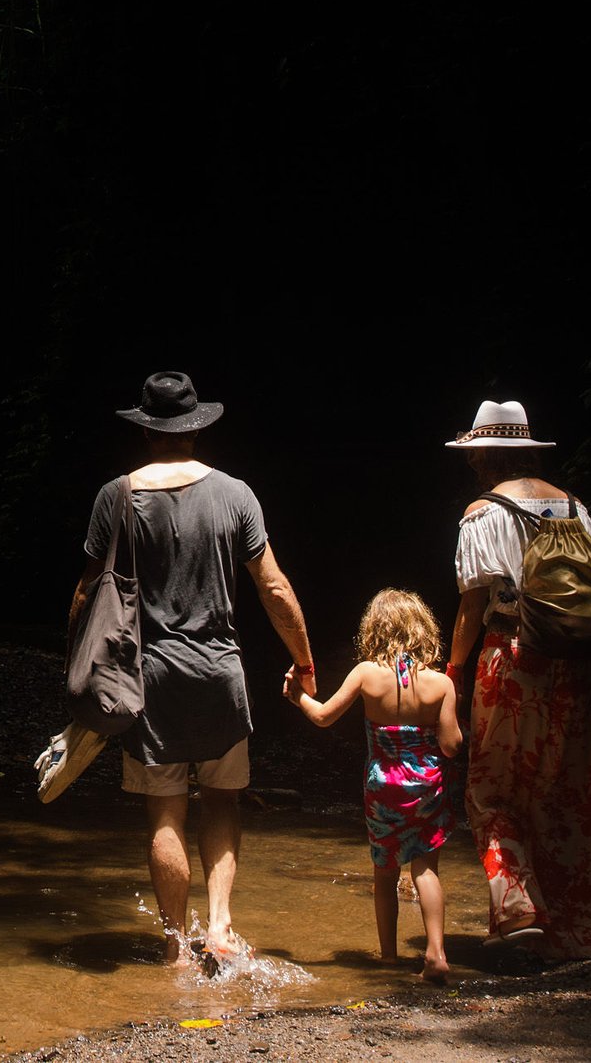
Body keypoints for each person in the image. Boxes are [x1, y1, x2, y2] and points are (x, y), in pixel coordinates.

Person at [68, 371, 319, 968]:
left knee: (165, 809)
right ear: (196, 425)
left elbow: (86, 594)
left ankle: (178, 946)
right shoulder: (236, 494)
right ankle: (222, 927)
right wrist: (304, 659)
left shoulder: (116, 495)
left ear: (147, 428)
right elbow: (275, 588)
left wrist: (77, 674)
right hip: (220, 674)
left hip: (146, 678)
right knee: (223, 800)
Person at [443, 399, 591, 960]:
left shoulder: (483, 512)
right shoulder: (575, 508)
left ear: (487, 454)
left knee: (492, 790)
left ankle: (516, 908)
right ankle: (573, 933)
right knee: (566, 790)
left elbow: (472, 604)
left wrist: (455, 672)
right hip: (577, 661)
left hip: (512, 659)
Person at [283, 589, 461, 982]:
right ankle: (435, 955)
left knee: (385, 870)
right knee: (425, 869)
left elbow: (326, 717)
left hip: (383, 788)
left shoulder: (366, 673)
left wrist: (299, 698)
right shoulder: (441, 683)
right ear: (422, 630)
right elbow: (451, 746)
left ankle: (388, 958)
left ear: (374, 631)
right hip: (427, 786)